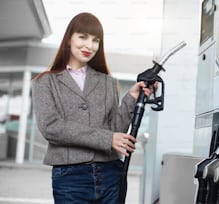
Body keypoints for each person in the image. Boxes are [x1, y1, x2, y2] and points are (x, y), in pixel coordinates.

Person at [32, 12, 155, 203]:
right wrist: (107, 138)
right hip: (70, 179)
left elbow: (116, 130)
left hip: (110, 175)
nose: (89, 45)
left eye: (95, 40)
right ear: (69, 38)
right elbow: (51, 127)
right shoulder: (45, 82)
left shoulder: (108, 82)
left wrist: (131, 97)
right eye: (83, 37)